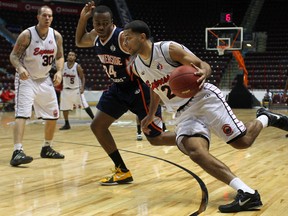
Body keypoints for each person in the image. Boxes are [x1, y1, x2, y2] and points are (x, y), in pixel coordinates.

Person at [123, 19, 288, 213]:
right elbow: (155, 88)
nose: (125, 43)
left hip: (204, 98)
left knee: (242, 142)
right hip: (183, 111)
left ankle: (266, 117)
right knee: (195, 151)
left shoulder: (168, 49)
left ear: (142, 37)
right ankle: (247, 193)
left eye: (129, 38)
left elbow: (202, 65)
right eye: (124, 39)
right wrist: (150, 114)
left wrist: (204, 71)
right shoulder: (137, 66)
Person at [75, 2, 179, 185]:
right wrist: (83, 18)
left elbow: (147, 49)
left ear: (111, 22)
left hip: (139, 88)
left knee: (156, 139)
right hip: (118, 88)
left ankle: (192, 139)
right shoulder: (95, 36)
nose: (100, 27)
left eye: (104, 23)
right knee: (97, 126)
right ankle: (122, 171)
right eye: (97, 23)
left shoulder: (123, 37)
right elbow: (78, 41)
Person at [9, 5, 65, 166]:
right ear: (38, 17)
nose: (47, 18)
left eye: (50, 16)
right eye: (44, 15)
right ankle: (17, 151)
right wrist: (20, 68)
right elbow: (13, 55)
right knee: (22, 114)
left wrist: (59, 71)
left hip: (45, 79)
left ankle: (47, 148)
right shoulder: (27, 35)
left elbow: (60, 56)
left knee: (54, 114)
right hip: (26, 79)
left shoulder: (56, 36)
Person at [59, 51, 94, 130]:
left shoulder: (77, 66)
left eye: (72, 55)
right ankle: (67, 124)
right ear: (67, 57)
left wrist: (82, 87)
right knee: (64, 107)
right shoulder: (63, 65)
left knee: (85, 105)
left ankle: (94, 120)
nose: (70, 56)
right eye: (69, 55)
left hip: (76, 89)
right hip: (65, 89)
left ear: (75, 57)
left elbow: (82, 77)